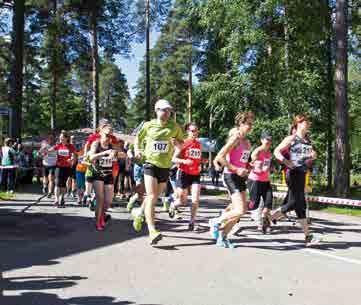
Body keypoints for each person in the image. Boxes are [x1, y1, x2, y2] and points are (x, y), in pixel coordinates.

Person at [134, 99, 183, 245]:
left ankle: (139, 214)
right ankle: (152, 230)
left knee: (154, 197)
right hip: (150, 163)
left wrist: (177, 144)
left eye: (169, 110)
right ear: (156, 110)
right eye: (164, 110)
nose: (167, 113)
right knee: (151, 195)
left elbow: (182, 143)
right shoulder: (148, 125)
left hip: (165, 166)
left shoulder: (175, 127)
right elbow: (137, 138)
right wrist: (137, 150)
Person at [270, 114, 319, 246]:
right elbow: (276, 151)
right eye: (305, 122)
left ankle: (269, 217)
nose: (308, 124)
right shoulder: (291, 138)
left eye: (308, 122)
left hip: (302, 173)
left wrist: (312, 157)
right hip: (292, 173)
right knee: (299, 203)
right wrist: (286, 161)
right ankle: (308, 236)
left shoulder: (308, 141)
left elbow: (307, 159)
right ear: (298, 123)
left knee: (294, 203)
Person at [209, 111, 254, 248]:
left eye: (252, 124)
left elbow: (243, 160)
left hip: (240, 177)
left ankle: (222, 238)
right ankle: (215, 221)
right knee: (240, 210)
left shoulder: (247, 142)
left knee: (240, 210)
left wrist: (248, 167)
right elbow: (220, 157)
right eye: (248, 124)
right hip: (230, 176)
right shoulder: (236, 138)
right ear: (241, 124)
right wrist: (236, 169)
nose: (250, 127)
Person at [87, 122, 122, 231]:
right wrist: (104, 153)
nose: (108, 138)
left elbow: (122, 154)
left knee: (108, 201)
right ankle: (98, 222)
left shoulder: (112, 145)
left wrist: (116, 154)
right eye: (107, 135)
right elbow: (91, 157)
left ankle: (102, 215)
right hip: (98, 174)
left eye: (110, 136)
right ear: (101, 133)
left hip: (109, 175)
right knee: (100, 199)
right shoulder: (96, 144)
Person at [169, 122, 202, 231]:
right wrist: (184, 161)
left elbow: (197, 159)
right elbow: (173, 159)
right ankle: (173, 205)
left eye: (196, 130)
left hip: (195, 175)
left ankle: (192, 221)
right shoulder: (183, 143)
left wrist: (199, 165)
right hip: (183, 173)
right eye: (192, 131)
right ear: (187, 132)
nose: (194, 133)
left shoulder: (199, 144)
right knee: (182, 201)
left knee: (195, 199)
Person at [247, 130, 273, 234]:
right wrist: (259, 166)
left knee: (269, 202)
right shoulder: (257, 151)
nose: (269, 141)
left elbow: (268, 166)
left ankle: (263, 222)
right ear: (261, 140)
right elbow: (250, 165)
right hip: (255, 181)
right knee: (254, 205)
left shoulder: (269, 153)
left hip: (266, 181)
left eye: (270, 139)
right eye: (267, 139)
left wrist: (270, 168)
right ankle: (234, 209)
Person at [51, 131, 77, 207]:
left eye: (62, 137)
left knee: (63, 184)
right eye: (60, 137)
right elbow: (51, 150)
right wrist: (44, 151)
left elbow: (75, 155)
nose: (60, 138)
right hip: (59, 166)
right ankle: (56, 199)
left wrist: (72, 160)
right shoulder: (58, 145)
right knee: (57, 182)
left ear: (66, 138)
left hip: (67, 167)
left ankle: (62, 198)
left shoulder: (71, 146)